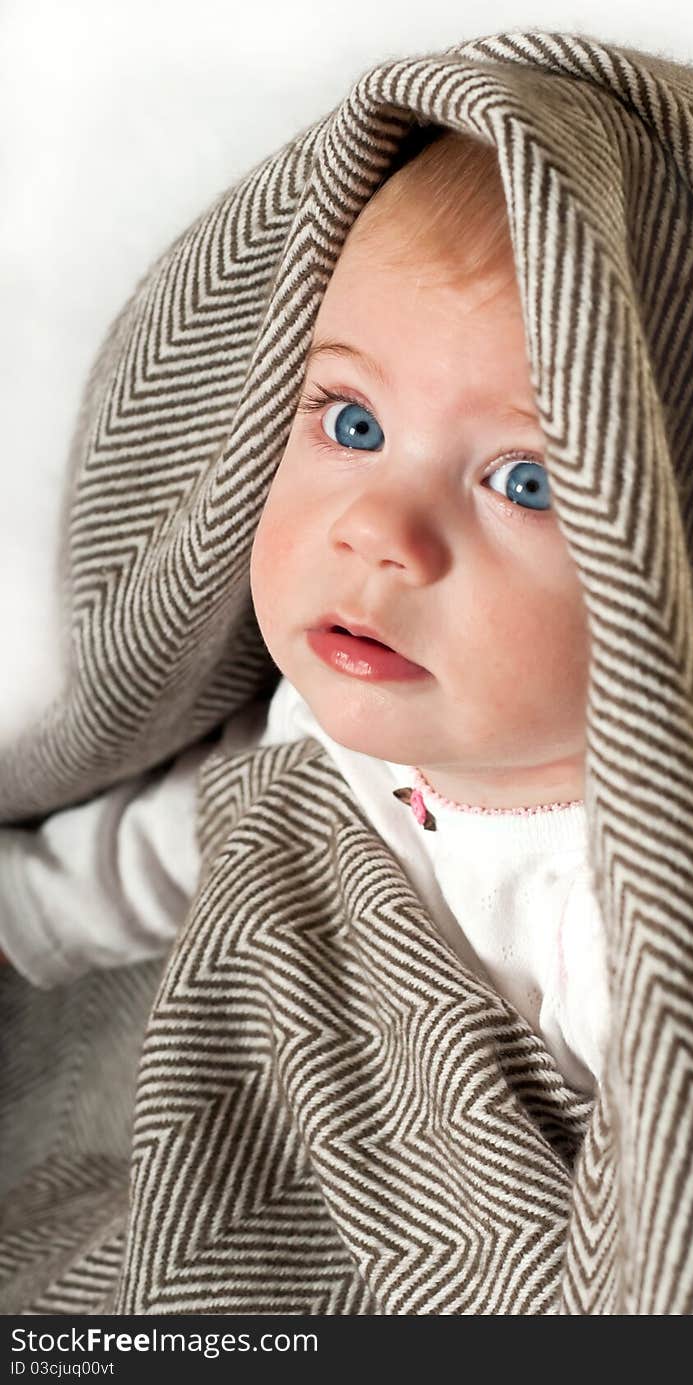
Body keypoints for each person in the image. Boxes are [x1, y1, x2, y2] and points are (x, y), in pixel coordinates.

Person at [0, 129, 609, 1095]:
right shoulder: (321, 728)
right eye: (353, 423)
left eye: (526, 481)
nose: (376, 529)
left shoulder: (614, 903)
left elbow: (671, 1199)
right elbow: (170, 846)